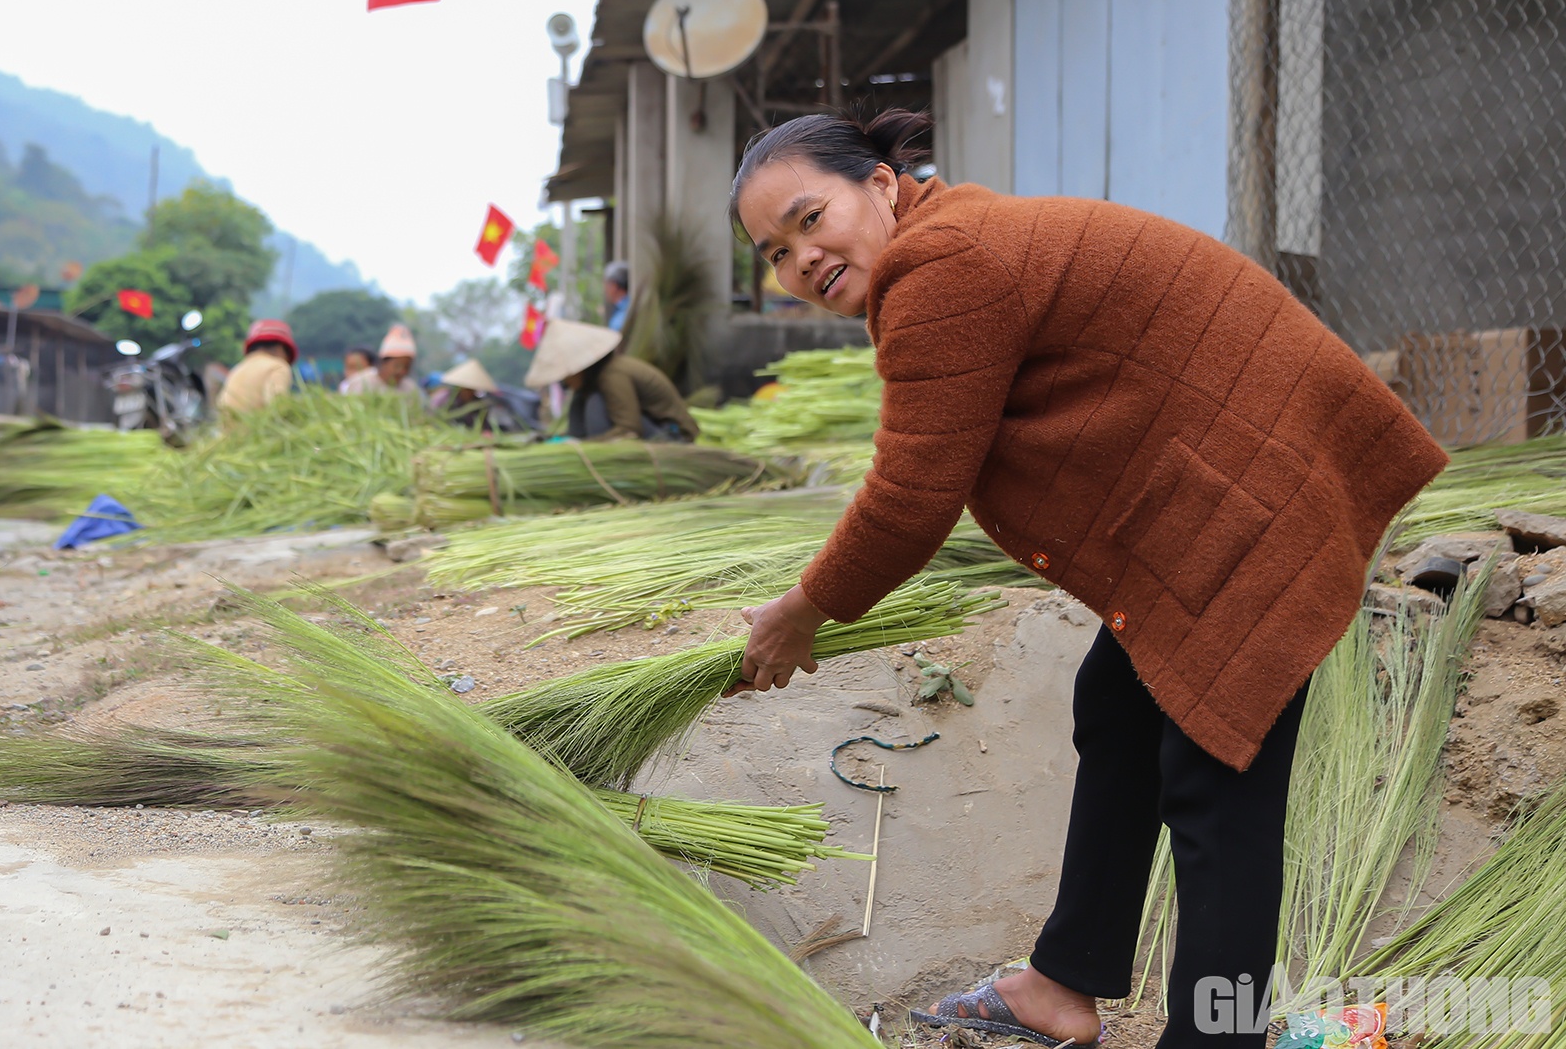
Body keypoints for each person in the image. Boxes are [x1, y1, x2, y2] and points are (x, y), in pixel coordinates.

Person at [726, 110, 1447, 1049]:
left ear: (880, 183)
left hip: (1246, 504)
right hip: (1215, 499)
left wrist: (800, 612)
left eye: (808, 217)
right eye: (775, 252)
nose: (800, 258)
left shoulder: (940, 268)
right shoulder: (949, 243)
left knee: (1212, 779)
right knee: (1117, 703)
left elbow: (911, 495)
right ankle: (1065, 981)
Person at [523, 318, 697, 442]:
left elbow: (629, 430)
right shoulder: (595, 381)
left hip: (674, 436)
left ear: (579, 367)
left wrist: (585, 447)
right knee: (581, 399)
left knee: (594, 402)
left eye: (566, 375)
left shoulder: (613, 376)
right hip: (649, 428)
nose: (565, 382)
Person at [436, 358, 539, 433]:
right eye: (469, 389)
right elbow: (437, 420)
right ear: (462, 388)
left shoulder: (478, 404)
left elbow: (484, 425)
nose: (472, 392)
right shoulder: (445, 401)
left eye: (473, 389)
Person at [218, 319, 298, 414]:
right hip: (256, 428)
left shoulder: (237, 369)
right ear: (282, 348)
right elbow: (278, 405)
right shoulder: (278, 366)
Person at [340, 324, 419, 394]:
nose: (402, 371)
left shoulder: (411, 389)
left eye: (407, 367)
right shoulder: (361, 384)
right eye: (397, 366)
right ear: (384, 362)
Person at [603, 260, 631, 332]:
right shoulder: (627, 307)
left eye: (606, 284)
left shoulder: (622, 317)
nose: (604, 289)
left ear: (614, 285)